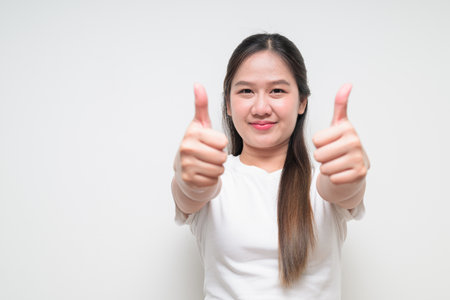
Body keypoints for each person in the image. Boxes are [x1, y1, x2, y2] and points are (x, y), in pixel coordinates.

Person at [171, 33, 370, 299]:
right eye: (246, 91)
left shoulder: (324, 177)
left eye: (277, 90)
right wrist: (188, 180)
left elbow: (342, 189)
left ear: (302, 101)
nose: (261, 107)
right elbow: (191, 192)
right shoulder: (214, 177)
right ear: (228, 104)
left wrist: (350, 175)